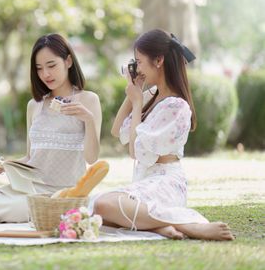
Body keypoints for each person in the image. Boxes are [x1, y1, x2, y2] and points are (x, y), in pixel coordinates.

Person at [91, 29, 234, 241]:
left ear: (158, 60)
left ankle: (188, 225)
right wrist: (133, 93)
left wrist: (138, 102)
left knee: (103, 205)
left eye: (139, 62)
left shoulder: (177, 106)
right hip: (145, 183)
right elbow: (117, 130)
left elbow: (135, 152)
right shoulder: (152, 95)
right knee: (95, 208)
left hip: (165, 183)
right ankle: (158, 227)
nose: (137, 68)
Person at [0, 33, 102, 224]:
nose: (46, 74)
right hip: (30, 190)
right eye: (39, 68)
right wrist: (7, 165)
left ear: (68, 61)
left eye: (51, 65)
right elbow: (30, 157)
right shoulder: (34, 105)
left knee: (12, 207)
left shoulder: (88, 100)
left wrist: (89, 120)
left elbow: (91, 158)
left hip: (63, 194)